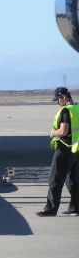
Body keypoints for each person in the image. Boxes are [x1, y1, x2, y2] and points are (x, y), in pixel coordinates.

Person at [37, 87, 79, 216]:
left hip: (65, 148)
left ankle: (51, 208)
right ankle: (75, 207)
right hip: (76, 148)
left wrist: (52, 133)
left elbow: (63, 131)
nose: (57, 103)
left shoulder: (66, 111)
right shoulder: (77, 108)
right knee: (74, 180)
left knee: (55, 179)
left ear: (63, 97)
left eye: (57, 100)